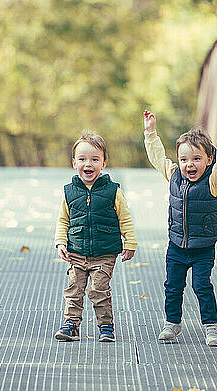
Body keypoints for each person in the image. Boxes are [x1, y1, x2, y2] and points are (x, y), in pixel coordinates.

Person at [143, 109, 217, 346]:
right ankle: (172, 324)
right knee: (173, 286)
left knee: (201, 285)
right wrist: (150, 133)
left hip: (203, 247)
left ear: (209, 160)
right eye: (184, 159)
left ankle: (212, 327)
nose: (189, 165)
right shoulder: (174, 176)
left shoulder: (214, 182)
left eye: (196, 159)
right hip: (177, 245)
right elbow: (158, 158)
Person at [54, 132, 137, 342]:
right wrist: (60, 242)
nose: (87, 164)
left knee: (99, 290)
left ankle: (106, 326)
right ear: (74, 163)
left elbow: (125, 219)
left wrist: (130, 242)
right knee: (74, 290)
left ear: (104, 163)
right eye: (82, 159)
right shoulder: (69, 191)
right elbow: (63, 220)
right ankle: (71, 325)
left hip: (104, 253)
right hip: (76, 252)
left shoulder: (113, 191)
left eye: (94, 159)